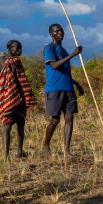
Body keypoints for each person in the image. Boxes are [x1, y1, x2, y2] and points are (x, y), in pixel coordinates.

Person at [42, 24, 84, 158]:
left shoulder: (64, 50)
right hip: (54, 89)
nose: (60, 33)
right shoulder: (49, 47)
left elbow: (65, 72)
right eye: (57, 31)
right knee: (55, 120)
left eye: (61, 31)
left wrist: (77, 85)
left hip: (69, 89)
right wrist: (73, 54)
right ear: (51, 34)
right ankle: (45, 146)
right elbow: (54, 66)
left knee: (69, 118)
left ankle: (67, 150)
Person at [0, 40, 36, 158]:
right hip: (6, 96)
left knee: (20, 123)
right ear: (9, 48)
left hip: (18, 96)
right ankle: (5, 154)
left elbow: (22, 79)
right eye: (17, 48)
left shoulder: (17, 61)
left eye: (21, 48)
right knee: (7, 125)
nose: (20, 51)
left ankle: (19, 151)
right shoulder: (2, 60)